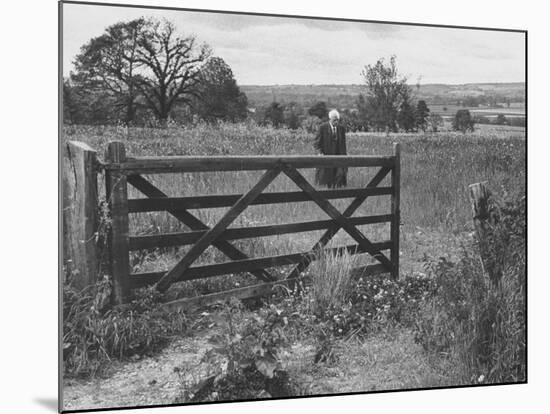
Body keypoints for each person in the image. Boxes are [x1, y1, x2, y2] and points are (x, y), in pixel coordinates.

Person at [313, 109, 347, 188]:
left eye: (337, 120)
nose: (336, 122)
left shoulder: (341, 129)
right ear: (330, 119)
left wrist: (345, 157)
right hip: (326, 155)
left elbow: (343, 145)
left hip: (338, 156)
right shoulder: (322, 128)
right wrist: (319, 153)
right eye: (334, 120)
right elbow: (316, 143)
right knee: (325, 179)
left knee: (339, 177)